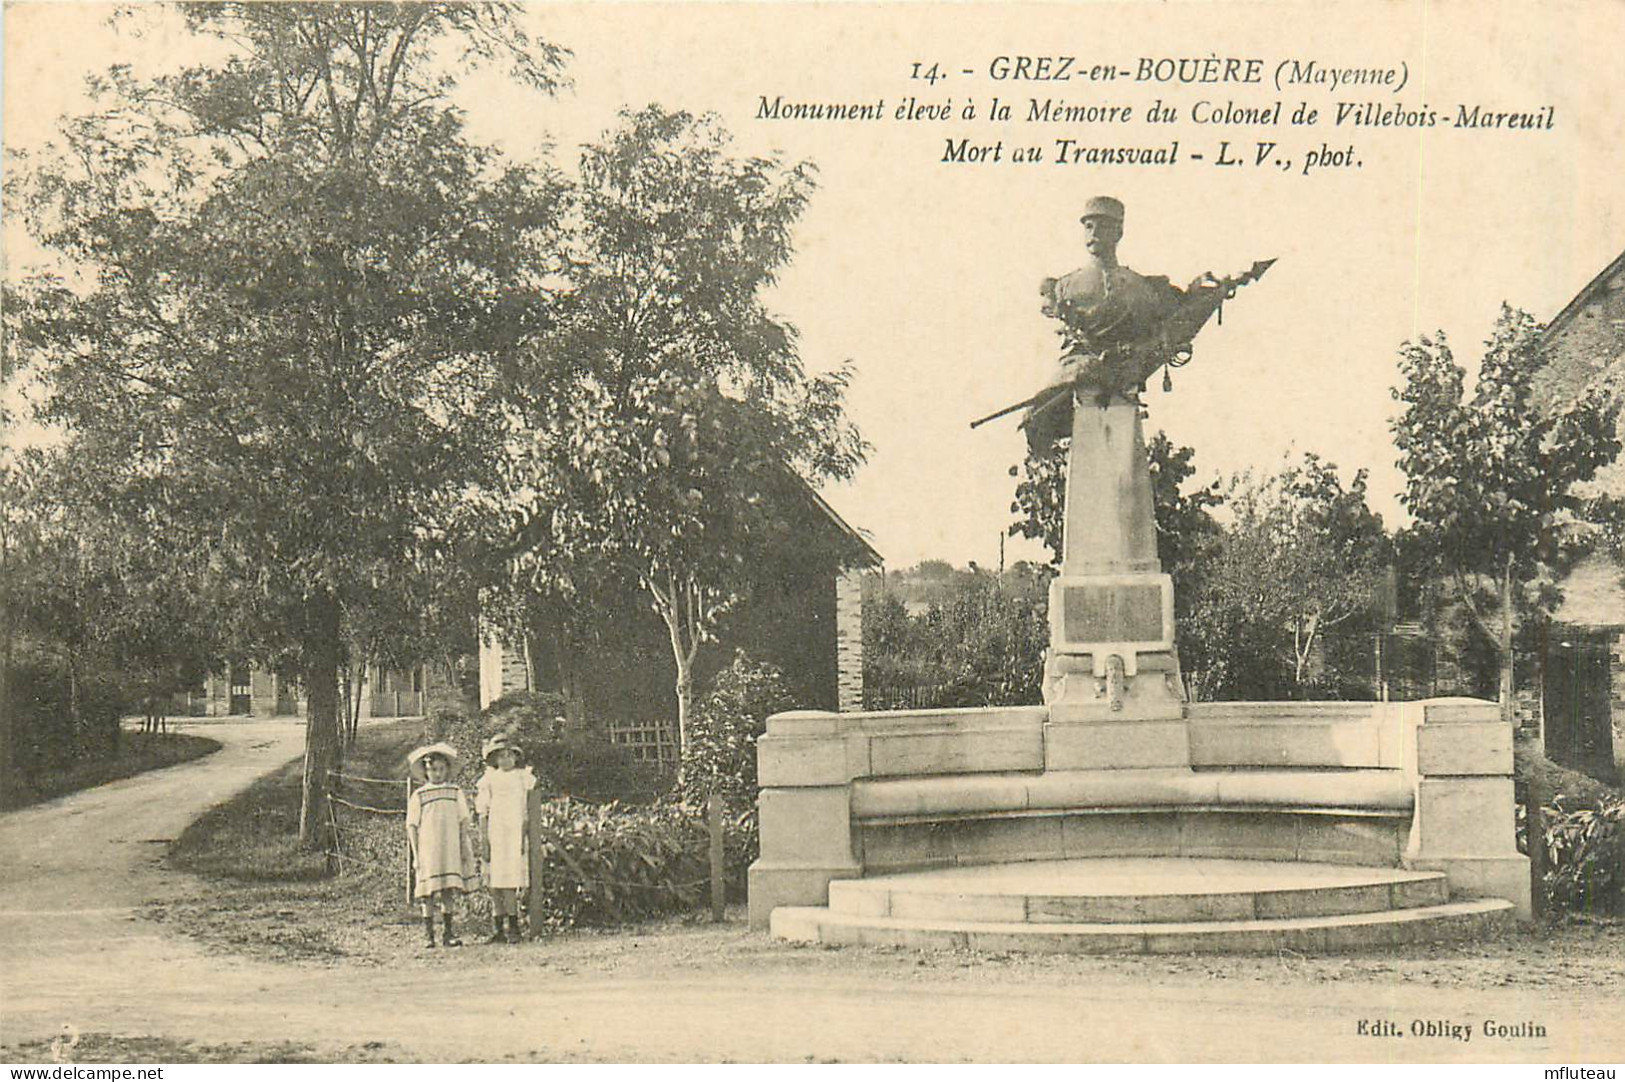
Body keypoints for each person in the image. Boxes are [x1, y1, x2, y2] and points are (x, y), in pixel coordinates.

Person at [406, 742, 473, 949]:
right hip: (428, 849)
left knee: (447, 890)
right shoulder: (419, 795)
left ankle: (448, 932)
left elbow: (463, 820)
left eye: (441, 769)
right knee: (427, 892)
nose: (437, 773)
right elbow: (412, 825)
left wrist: (463, 845)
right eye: (433, 770)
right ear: (426, 772)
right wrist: (416, 854)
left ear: (447, 770)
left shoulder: (455, 791)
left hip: (449, 846)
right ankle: (429, 935)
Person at [474, 733, 537, 944]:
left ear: (516, 757)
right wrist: (484, 840)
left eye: (510, 755)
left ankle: (514, 927)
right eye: (501, 756)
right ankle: (498, 928)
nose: (506, 759)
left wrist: (522, 836)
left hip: (514, 834)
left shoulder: (522, 777)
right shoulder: (489, 780)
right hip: (495, 833)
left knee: (510, 883)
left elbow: (527, 812)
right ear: (494, 759)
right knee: (494, 884)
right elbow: (483, 811)